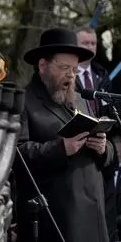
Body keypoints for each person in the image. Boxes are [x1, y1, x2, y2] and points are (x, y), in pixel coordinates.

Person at [15, 27, 114, 242]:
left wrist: (104, 148)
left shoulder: (80, 100)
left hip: (94, 216)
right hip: (58, 219)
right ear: (43, 65)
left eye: (75, 70)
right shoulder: (24, 101)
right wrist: (61, 148)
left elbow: (110, 153)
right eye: (64, 68)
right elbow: (18, 154)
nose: (71, 75)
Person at [75, 25, 119, 241]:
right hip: (77, 148)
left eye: (93, 43)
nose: (90, 47)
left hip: (104, 149)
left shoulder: (102, 75)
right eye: (85, 43)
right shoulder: (69, 74)